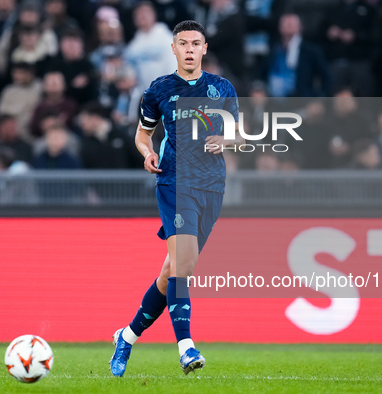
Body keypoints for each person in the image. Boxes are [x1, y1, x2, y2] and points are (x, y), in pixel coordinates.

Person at [109, 20, 240, 377]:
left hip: (211, 187)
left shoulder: (222, 88)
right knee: (182, 267)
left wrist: (226, 142)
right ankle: (186, 347)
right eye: (183, 43)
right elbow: (142, 134)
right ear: (174, 48)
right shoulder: (159, 89)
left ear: (204, 48)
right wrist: (146, 153)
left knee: (172, 272)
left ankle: (128, 335)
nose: (189, 49)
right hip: (174, 183)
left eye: (196, 43)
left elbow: (240, 136)